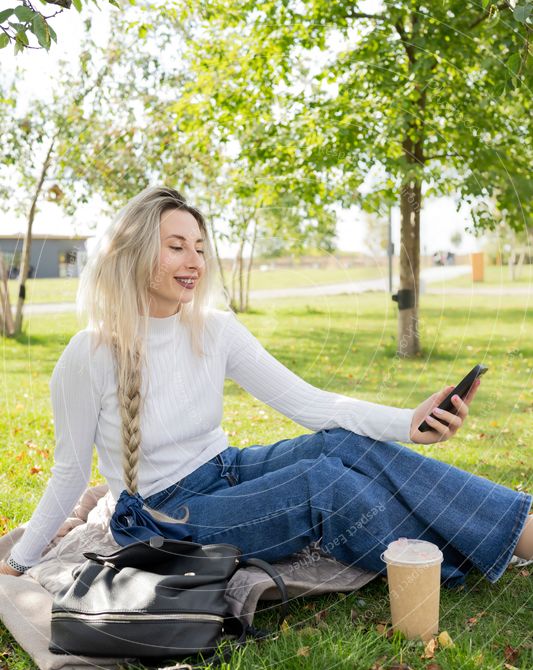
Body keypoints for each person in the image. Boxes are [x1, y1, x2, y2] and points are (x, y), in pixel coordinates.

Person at [1, 186, 531, 584]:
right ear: (135, 254)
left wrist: (407, 424)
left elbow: (311, 404)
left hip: (225, 473)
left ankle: (519, 527)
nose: (194, 263)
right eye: (177, 247)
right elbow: (70, 471)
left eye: (200, 248)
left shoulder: (213, 328)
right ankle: (455, 562)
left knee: (342, 445)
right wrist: (20, 560)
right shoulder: (88, 354)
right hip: (159, 518)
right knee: (322, 486)